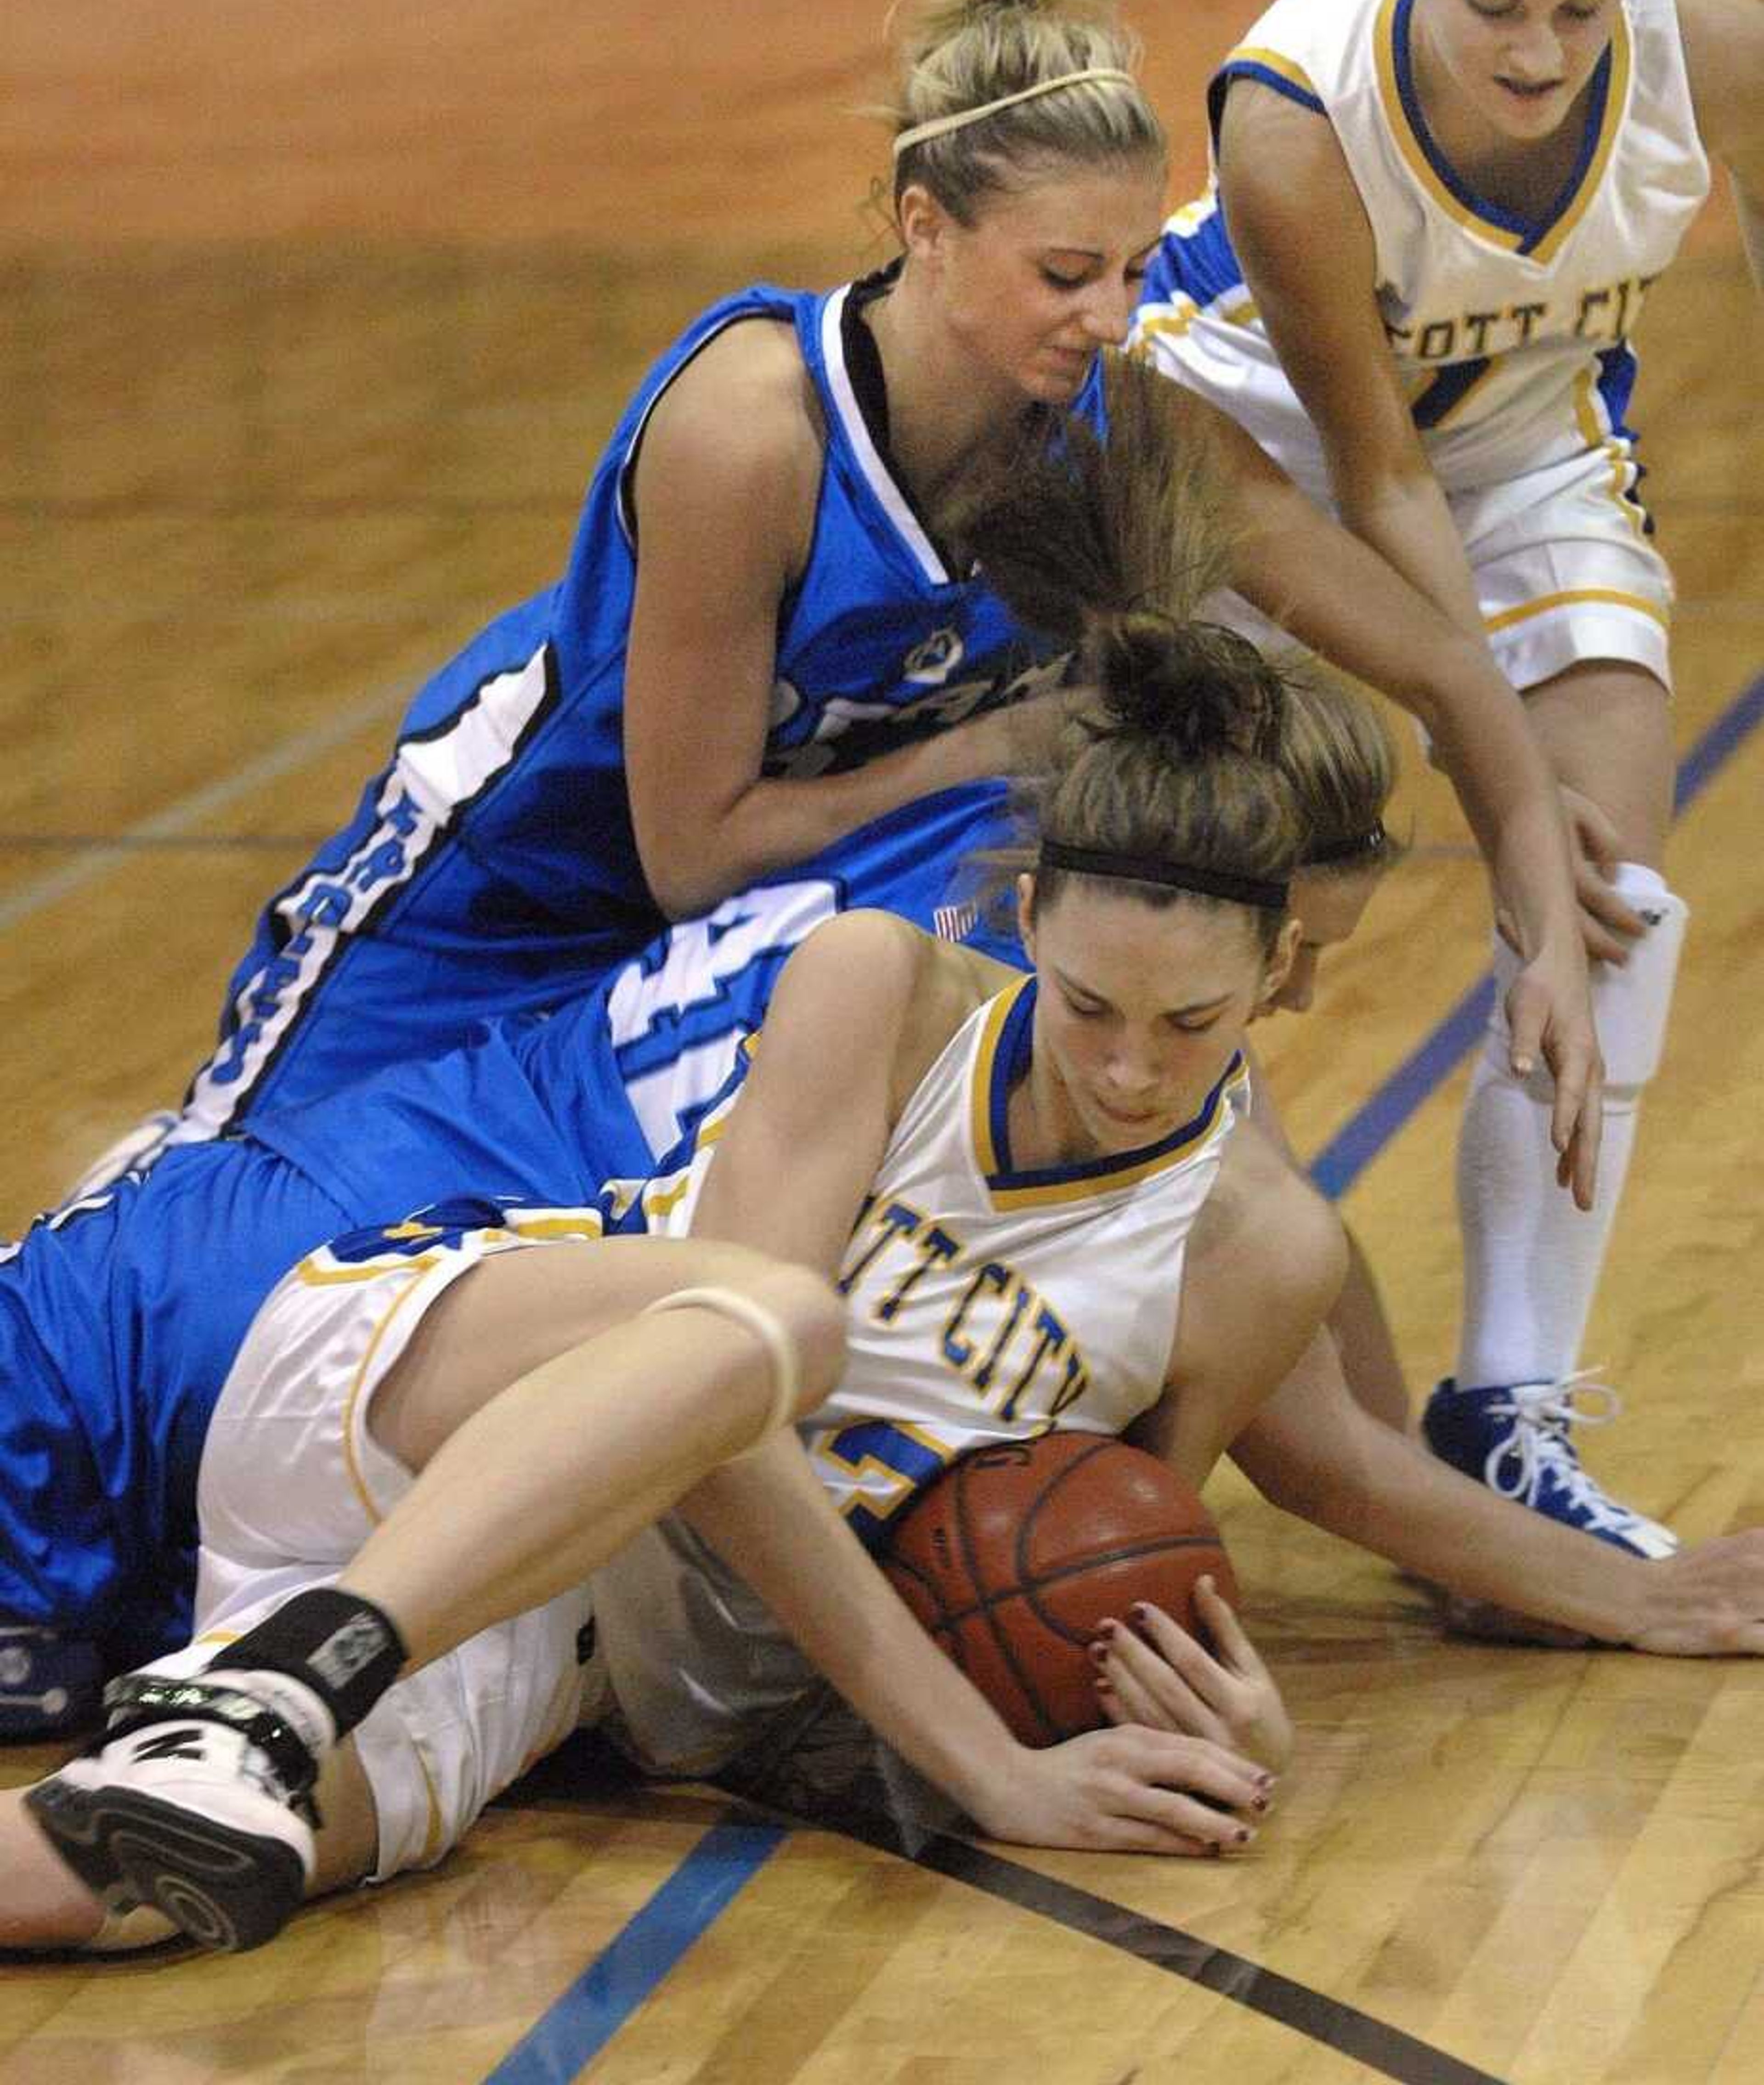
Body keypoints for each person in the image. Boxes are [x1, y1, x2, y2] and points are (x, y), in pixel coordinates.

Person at [11, 623, 1764, 1963]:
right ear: (1027, 913)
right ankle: (281, 1686)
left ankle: (226, 1737)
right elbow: (718, 1415)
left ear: (1282, 979)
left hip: (569, 1652)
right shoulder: (880, 988)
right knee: (774, 1333)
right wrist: (985, 1773)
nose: (1135, 1070)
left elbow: (1296, 1491)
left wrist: (1639, 1599)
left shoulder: (1258, 1250)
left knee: (159, 1878)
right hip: (454, 1385)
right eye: (1090, 1006)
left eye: (1190, 1025)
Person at [86, 0, 1602, 1223]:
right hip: (515, 884)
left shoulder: (1120, 428)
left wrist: (1543, 910)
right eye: (1067, 272)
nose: (1112, 316)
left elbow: (1440, 665)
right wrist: (988, 748)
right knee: (220, 1231)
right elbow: (689, 855)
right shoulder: (752, 432)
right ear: (923, 226)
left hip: (774, 912)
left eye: (1138, 271)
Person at [1131, 0, 1764, 1552]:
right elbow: (1375, 470)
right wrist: (1491, 785)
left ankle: (1509, 1410)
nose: (1547, 52)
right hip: (1250, 452)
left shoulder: (1711, 42)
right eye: (1494, 7)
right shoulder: (1293, 119)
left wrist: (1554, 861)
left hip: (1529, 450)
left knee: (1618, 883)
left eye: (1583, 6)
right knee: (1198, 899)